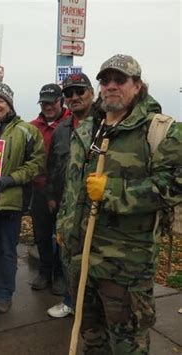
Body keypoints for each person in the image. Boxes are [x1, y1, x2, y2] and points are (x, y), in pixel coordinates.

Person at [57, 54, 182, 353]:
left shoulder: (161, 131)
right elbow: (72, 188)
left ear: (137, 85)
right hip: (81, 259)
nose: (111, 86)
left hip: (126, 267)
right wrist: (64, 226)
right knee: (92, 338)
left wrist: (112, 191)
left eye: (120, 80)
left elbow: (173, 186)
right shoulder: (87, 129)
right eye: (105, 80)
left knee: (127, 344)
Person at [0, 82, 46, 314]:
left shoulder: (26, 130)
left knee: (6, 250)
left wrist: (12, 179)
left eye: (1, 101)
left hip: (9, 203)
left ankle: (5, 294)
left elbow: (37, 163)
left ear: (9, 105)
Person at [45, 73, 95, 318]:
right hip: (66, 205)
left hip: (94, 207)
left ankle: (92, 308)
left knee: (92, 259)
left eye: (80, 91)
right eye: (69, 94)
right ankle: (70, 301)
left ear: (91, 93)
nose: (75, 97)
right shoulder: (62, 129)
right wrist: (52, 196)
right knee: (65, 254)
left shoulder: (105, 123)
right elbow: (53, 165)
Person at [29, 83, 71, 294]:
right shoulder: (33, 126)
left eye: (52, 102)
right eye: (44, 103)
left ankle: (60, 275)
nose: (48, 107)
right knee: (42, 234)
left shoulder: (72, 122)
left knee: (62, 235)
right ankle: (45, 271)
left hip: (65, 190)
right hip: (40, 189)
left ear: (60, 101)